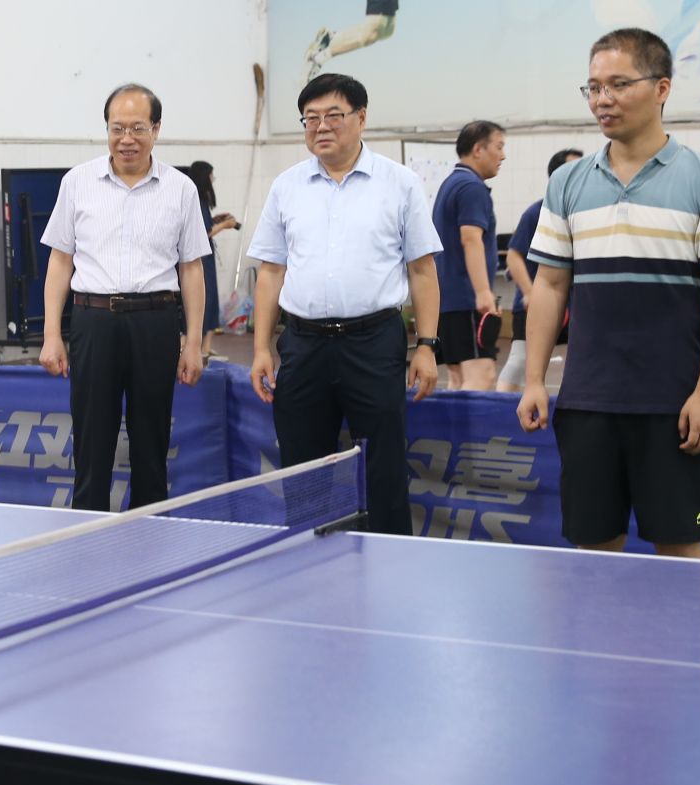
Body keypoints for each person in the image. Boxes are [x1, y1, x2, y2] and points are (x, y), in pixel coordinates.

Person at [515, 28, 700, 558]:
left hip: (675, 405)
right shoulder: (567, 183)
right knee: (593, 552)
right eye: (594, 87)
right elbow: (549, 285)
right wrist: (533, 380)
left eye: (619, 84)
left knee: (681, 551)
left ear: (662, 88)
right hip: (587, 402)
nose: (603, 99)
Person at [247, 73, 441, 535]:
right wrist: (260, 349)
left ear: (361, 118)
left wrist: (427, 346)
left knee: (383, 465)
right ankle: (309, 555)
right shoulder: (287, 186)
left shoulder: (399, 183)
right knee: (302, 465)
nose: (321, 126)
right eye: (310, 118)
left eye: (333, 115)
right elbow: (271, 272)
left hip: (374, 343)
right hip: (303, 345)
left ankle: (389, 555)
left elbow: (422, 270)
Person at [39, 84, 210, 511]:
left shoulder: (181, 189)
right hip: (93, 322)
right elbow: (60, 262)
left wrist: (193, 342)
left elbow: (191, 269)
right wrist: (51, 335)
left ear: (156, 129)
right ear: (107, 130)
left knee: (151, 444)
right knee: (91, 443)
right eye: (117, 128)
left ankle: (151, 533)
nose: (126, 139)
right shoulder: (77, 182)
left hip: (155, 323)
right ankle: (87, 532)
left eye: (137, 128)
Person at [498, 148, 583, 392]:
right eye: (575, 169)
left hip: (573, 305)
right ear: (558, 176)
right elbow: (514, 257)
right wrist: (529, 292)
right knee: (519, 361)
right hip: (537, 303)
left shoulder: (584, 214)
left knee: (578, 361)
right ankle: (501, 409)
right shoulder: (537, 212)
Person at [431, 120, 507, 390]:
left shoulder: (451, 183)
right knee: (481, 377)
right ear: (478, 149)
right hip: (466, 300)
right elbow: (471, 239)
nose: (503, 156)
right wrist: (483, 292)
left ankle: (456, 423)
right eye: (499, 147)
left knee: (458, 379)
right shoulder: (471, 187)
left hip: (447, 301)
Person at [184, 160, 240, 358]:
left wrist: (216, 220)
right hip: (200, 259)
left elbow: (205, 225)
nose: (213, 179)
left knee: (210, 300)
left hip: (206, 258)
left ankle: (205, 348)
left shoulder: (200, 200)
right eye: (211, 175)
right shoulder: (195, 201)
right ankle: (198, 348)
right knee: (204, 300)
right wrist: (224, 226)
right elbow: (203, 233)